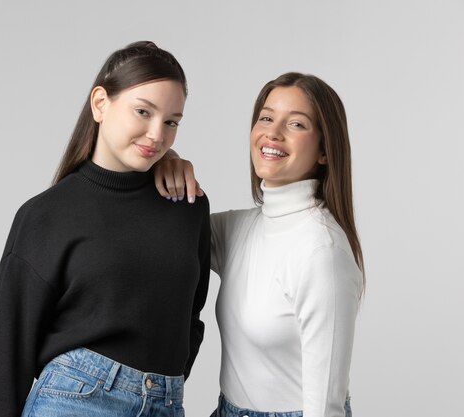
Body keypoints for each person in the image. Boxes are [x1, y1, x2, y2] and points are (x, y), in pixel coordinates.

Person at [0, 41, 210, 417]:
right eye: (142, 111)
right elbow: (9, 354)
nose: (156, 134)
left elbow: (191, 316)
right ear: (100, 103)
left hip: (165, 404)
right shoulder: (45, 216)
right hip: (76, 402)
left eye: (171, 122)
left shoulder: (187, 204)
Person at [155, 72, 364, 417]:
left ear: (325, 151)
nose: (273, 132)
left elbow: (326, 407)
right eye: (266, 118)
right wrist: (168, 157)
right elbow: (170, 224)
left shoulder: (322, 252)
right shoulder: (242, 228)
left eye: (296, 124)